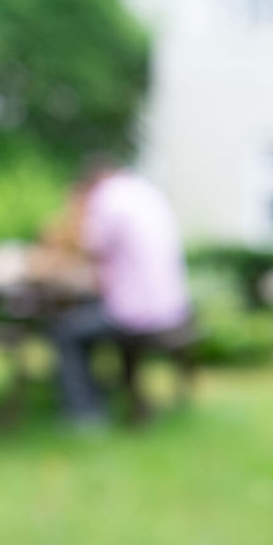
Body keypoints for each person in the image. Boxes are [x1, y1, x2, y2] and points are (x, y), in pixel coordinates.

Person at [51, 161, 191, 424]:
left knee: (64, 330)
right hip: (171, 308)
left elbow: (89, 247)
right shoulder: (145, 191)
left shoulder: (107, 196)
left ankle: (85, 413)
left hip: (136, 313)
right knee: (83, 319)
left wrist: (74, 212)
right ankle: (97, 393)